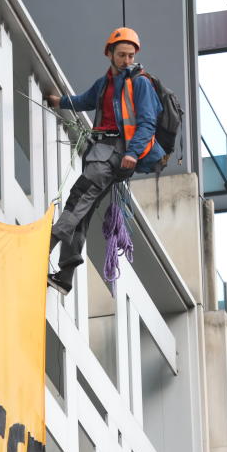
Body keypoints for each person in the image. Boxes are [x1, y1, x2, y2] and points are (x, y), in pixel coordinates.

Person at [44, 27, 164, 295]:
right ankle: (65, 277)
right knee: (83, 212)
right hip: (101, 151)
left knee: (79, 196)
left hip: (115, 153)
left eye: (130, 56)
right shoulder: (105, 84)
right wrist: (58, 101)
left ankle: (46, 245)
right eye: (122, 55)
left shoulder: (140, 83)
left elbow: (147, 123)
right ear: (109, 53)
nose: (126, 61)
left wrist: (132, 153)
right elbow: (85, 100)